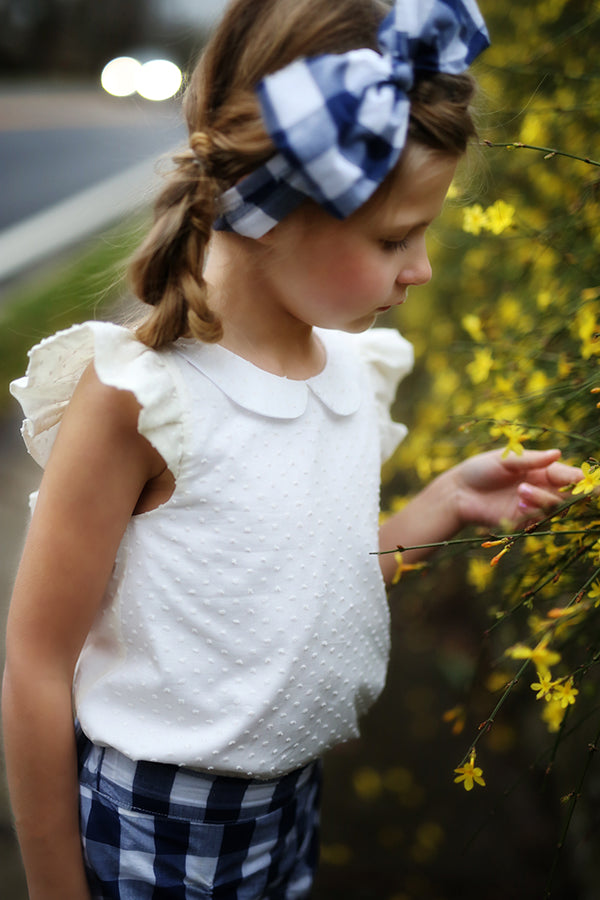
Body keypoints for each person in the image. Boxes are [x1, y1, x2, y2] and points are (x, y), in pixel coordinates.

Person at [2, 0, 582, 898]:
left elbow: (303, 584)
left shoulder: (348, 369)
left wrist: (443, 506)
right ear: (273, 209)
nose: (420, 268)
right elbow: (36, 662)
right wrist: (52, 888)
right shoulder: (145, 400)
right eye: (396, 236)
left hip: (291, 802)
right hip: (161, 820)